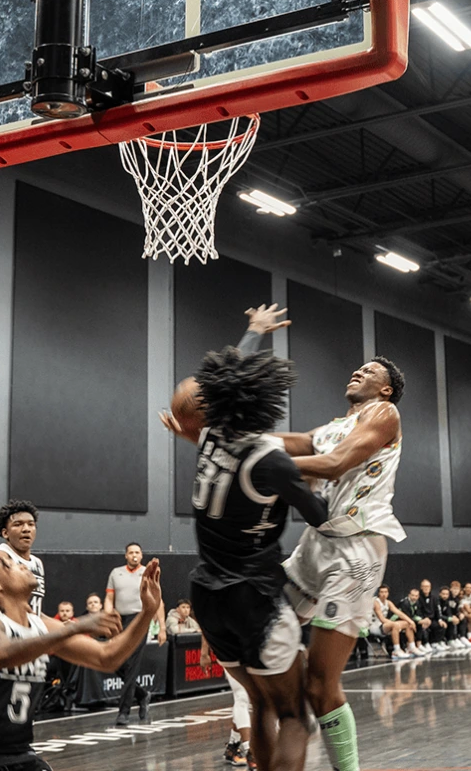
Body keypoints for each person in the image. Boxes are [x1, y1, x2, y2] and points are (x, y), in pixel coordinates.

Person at [159, 305, 333, 771]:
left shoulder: (209, 437)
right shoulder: (269, 460)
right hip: (253, 598)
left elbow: (226, 379)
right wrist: (314, 479)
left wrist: (254, 331)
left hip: (207, 594)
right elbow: (319, 516)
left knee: (259, 704)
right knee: (295, 716)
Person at [273, 321, 408, 771]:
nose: (358, 371)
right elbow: (289, 443)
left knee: (322, 686)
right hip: (317, 542)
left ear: (386, 389)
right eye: (358, 368)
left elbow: (333, 465)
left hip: (356, 552)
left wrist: (265, 466)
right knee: (262, 630)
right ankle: (286, 719)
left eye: (369, 371)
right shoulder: (336, 425)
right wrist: (224, 435)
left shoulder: (384, 415)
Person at [0, 553, 162, 771]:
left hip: (18, 752)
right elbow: (1, 654)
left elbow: (107, 657)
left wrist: (147, 612)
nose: (21, 565)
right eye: (9, 565)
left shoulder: (40, 625)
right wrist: (75, 627)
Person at [105, 542, 167, 726]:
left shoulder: (147, 573)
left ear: (141, 555)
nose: (134, 555)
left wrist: (162, 627)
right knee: (114, 661)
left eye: (137, 552)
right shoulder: (116, 573)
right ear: (126, 555)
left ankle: (123, 712)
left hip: (140, 619)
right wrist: (108, 617)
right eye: (131, 552)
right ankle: (142, 694)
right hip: (120, 619)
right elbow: (109, 598)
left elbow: (158, 601)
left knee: (132, 664)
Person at [371, 586, 419, 659]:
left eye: (385, 592)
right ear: (379, 593)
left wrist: (411, 621)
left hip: (385, 625)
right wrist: (395, 624)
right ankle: (396, 650)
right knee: (395, 625)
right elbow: (382, 619)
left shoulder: (388, 602)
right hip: (375, 626)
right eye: (382, 592)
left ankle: (412, 648)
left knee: (407, 624)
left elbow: (399, 613)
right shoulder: (376, 602)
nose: (384, 594)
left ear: (388, 593)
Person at [398, 589, 434, 654]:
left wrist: (423, 620)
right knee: (411, 625)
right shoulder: (404, 603)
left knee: (420, 624)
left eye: (416, 596)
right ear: (409, 595)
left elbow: (417, 614)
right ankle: (409, 647)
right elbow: (406, 617)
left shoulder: (417, 603)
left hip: (409, 620)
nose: (414, 597)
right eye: (413, 595)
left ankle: (419, 645)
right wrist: (419, 621)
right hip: (399, 620)